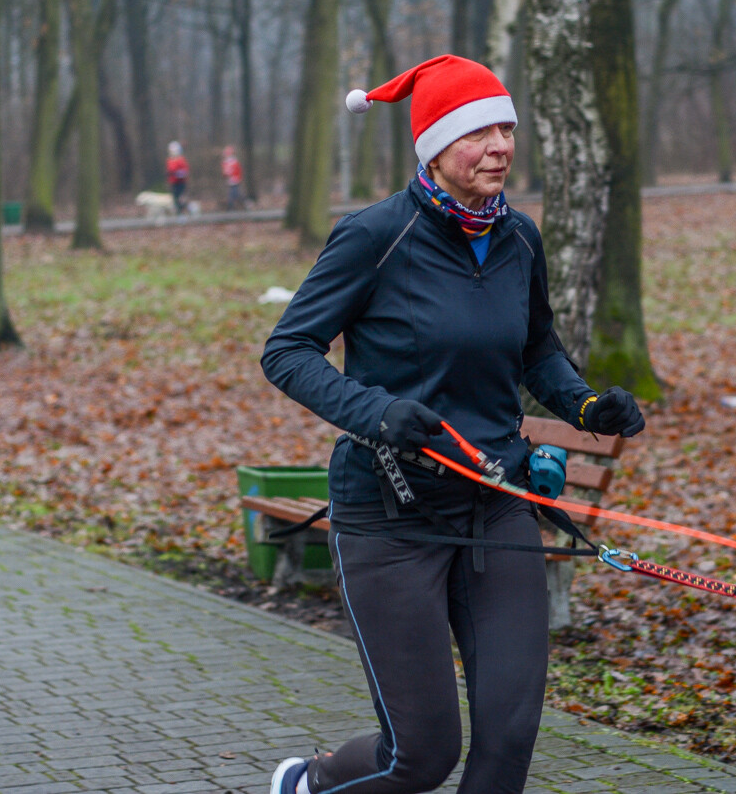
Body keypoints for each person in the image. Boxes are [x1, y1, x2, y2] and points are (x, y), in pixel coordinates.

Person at [260, 54, 645, 794]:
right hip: (390, 517)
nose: (500, 144)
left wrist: (588, 408)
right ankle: (306, 785)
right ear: (435, 145)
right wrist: (374, 411)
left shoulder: (519, 239)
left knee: (507, 739)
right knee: (421, 755)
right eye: (479, 132)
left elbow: (536, 349)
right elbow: (287, 350)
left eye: (506, 128)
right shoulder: (375, 236)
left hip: (493, 505)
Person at [166, 140, 189, 214]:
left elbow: (185, 172)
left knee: (181, 199)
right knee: (175, 199)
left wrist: (177, 174)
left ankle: (184, 211)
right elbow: (169, 171)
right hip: (173, 183)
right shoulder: (169, 160)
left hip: (181, 183)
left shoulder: (181, 160)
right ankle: (178, 213)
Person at [222, 145, 244, 210]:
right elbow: (225, 173)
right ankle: (234, 206)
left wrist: (237, 177)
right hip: (230, 181)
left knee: (234, 194)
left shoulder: (233, 161)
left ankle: (231, 207)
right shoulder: (226, 162)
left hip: (234, 180)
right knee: (234, 193)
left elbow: (237, 171)